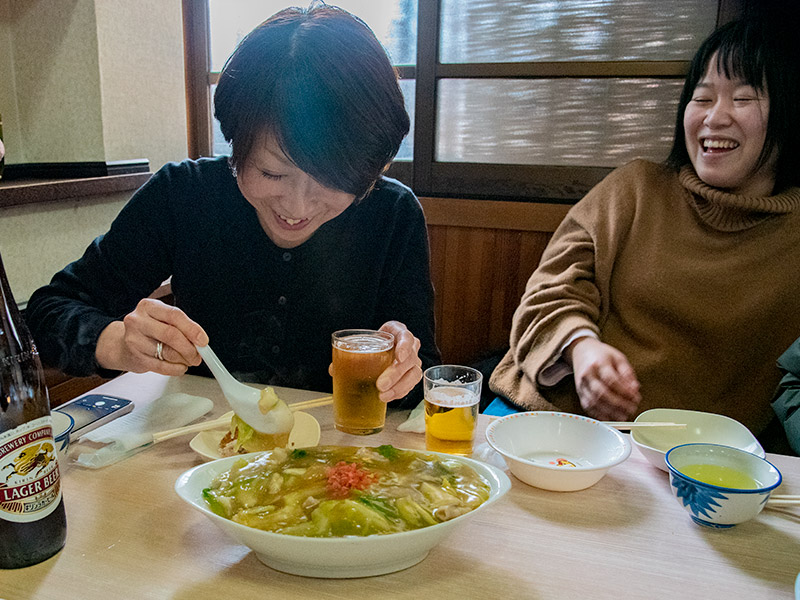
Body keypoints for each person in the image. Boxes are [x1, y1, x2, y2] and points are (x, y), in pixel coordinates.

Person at [25, 5, 439, 408]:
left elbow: (421, 377)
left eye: (334, 181)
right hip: (200, 452)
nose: (296, 206)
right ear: (236, 146)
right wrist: (114, 342)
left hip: (342, 454)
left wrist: (406, 369)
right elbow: (49, 310)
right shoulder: (184, 194)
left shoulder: (392, 214)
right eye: (272, 174)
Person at [489, 18, 800, 446]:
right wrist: (582, 349)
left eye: (743, 98)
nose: (714, 116)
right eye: (702, 97)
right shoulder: (634, 189)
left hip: (699, 464)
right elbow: (546, 295)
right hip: (549, 417)